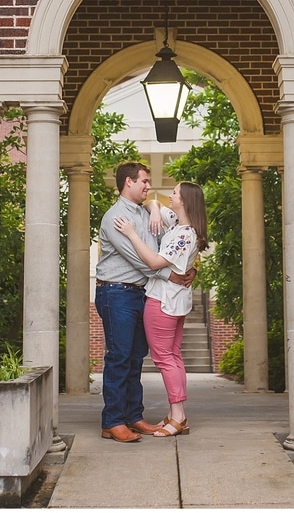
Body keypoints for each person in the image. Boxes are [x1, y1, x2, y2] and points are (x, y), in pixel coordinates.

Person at [95, 162, 195, 443]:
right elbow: (140, 260)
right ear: (129, 182)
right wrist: (173, 276)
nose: (149, 186)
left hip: (141, 293)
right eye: (145, 181)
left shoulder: (147, 213)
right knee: (119, 357)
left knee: (136, 357)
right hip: (116, 293)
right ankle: (113, 421)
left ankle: (133, 416)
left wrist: (187, 269)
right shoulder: (115, 217)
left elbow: (170, 248)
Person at [113, 181, 208, 438]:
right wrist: (155, 210)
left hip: (163, 301)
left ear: (185, 201)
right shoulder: (178, 223)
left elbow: (155, 262)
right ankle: (178, 414)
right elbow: (154, 203)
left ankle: (178, 417)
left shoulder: (182, 235)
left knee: (165, 359)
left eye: (174, 193)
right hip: (175, 301)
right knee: (173, 357)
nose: (170, 195)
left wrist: (132, 233)